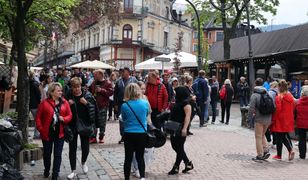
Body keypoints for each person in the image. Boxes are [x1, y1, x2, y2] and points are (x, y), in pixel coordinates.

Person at [35, 82, 72, 180]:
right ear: (52, 92)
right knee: (47, 154)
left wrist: (64, 119)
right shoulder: (44, 103)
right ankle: (47, 169)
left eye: (61, 90)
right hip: (47, 134)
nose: (61, 92)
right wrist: (41, 129)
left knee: (58, 155)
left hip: (60, 133)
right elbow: (38, 118)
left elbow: (70, 115)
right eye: (58, 91)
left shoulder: (65, 102)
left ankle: (55, 174)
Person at [66, 77, 97, 179]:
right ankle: (73, 170)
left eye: (78, 86)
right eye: (74, 87)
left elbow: (94, 110)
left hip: (85, 125)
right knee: (72, 148)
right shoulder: (68, 96)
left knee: (85, 147)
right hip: (72, 125)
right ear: (71, 87)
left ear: (81, 86)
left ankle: (83, 162)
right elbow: (63, 109)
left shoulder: (87, 96)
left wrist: (87, 104)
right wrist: (68, 104)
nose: (76, 89)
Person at [121, 83, 150, 180]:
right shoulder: (145, 103)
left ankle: (126, 178)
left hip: (129, 133)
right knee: (140, 157)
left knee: (128, 158)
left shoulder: (125, 105)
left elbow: (124, 119)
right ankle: (142, 177)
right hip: (141, 133)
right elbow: (146, 115)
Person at [168, 86, 194, 175]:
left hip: (181, 127)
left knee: (178, 147)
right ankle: (187, 163)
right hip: (174, 127)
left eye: (176, 92)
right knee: (176, 146)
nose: (174, 94)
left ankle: (176, 167)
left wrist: (184, 129)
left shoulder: (187, 104)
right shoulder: (177, 102)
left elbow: (187, 117)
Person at [271, 79, 296, 161]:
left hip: (280, 120)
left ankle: (280, 155)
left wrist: (273, 119)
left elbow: (278, 110)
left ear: (279, 87)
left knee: (279, 138)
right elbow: (294, 107)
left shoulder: (279, 97)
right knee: (284, 136)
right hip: (288, 119)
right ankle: (290, 150)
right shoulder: (290, 96)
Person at [248, 78, 272, 161]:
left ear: (255, 84)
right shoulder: (267, 93)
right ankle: (265, 150)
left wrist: (249, 119)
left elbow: (251, 108)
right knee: (262, 135)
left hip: (259, 119)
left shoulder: (254, 95)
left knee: (258, 137)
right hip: (268, 119)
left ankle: (260, 155)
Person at [114, 67, 138, 144]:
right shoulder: (118, 81)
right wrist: (116, 104)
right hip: (121, 103)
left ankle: (130, 135)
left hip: (131, 102)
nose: (122, 73)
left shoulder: (134, 80)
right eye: (121, 72)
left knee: (130, 119)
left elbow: (138, 90)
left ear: (128, 72)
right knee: (121, 120)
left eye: (123, 72)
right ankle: (123, 136)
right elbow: (115, 94)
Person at [89, 69, 113, 143]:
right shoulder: (93, 82)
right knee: (93, 121)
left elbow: (111, 93)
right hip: (94, 105)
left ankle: (101, 136)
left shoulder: (108, 83)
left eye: (95, 75)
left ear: (100, 74)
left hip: (103, 105)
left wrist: (101, 90)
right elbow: (89, 91)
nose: (94, 77)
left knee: (102, 122)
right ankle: (93, 137)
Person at [295, 85, 308, 159]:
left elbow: (295, 113)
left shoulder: (298, 102)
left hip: (301, 123)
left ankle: (302, 155)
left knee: (302, 139)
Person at [29, 71, 42, 139]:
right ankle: (36, 134)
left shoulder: (25, 83)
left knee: (25, 119)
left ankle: (25, 133)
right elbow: (38, 94)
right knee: (37, 120)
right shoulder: (35, 84)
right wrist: (39, 102)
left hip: (28, 104)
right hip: (34, 104)